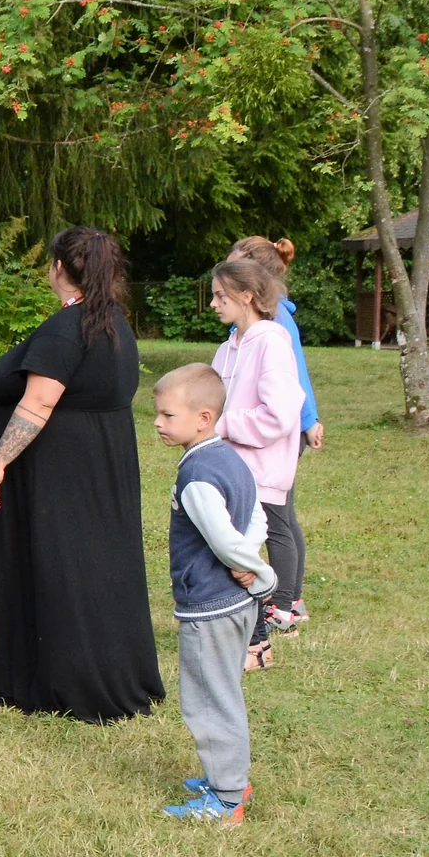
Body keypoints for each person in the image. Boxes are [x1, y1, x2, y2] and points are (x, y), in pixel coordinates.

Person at [0, 225, 163, 721]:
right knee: (96, 563)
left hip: (61, 468)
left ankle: (68, 679)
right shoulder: (111, 322)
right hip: (100, 458)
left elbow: (38, 402)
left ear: (59, 267)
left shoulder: (70, 327)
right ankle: (97, 666)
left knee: (66, 564)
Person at [151, 364, 274, 823]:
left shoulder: (198, 475)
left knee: (208, 700)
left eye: (167, 415)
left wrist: (258, 572)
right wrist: (248, 563)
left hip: (210, 607)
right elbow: (256, 515)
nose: (158, 423)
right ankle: (232, 775)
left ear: (203, 418)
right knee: (224, 692)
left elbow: (223, 539)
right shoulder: (227, 458)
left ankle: (226, 799)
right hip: (236, 605)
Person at [207, 255, 305, 672]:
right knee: (226, 553)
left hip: (259, 473)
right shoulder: (228, 348)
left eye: (220, 295)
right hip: (226, 469)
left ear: (246, 296)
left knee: (241, 557)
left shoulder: (270, 341)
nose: (213, 303)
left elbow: (281, 414)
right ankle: (235, 635)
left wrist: (224, 425)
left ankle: (257, 645)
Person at [226, 236, 319, 634]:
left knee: (276, 518)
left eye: (233, 267)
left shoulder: (274, 322)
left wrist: (309, 420)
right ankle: (290, 600)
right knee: (283, 515)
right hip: (280, 430)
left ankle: (283, 605)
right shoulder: (262, 320)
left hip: (278, 434)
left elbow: (293, 377)